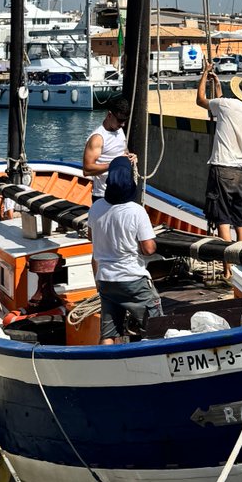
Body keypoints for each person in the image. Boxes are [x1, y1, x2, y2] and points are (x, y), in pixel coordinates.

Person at [196, 62, 242, 276]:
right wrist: (217, 85)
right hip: (239, 172)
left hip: (221, 168)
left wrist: (205, 74)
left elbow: (201, 101)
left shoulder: (226, 105)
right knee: (240, 221)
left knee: (222, 219)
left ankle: (227, 270)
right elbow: (222, 108)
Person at [88, 155, 160, 344]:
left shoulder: (96, 208)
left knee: (108, 334)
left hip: (106, 280)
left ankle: (104, 361)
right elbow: (149, 249)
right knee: (157, 328)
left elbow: (91, 236)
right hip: (132, 279)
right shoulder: (136, 211)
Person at [82, 96, 130, 201]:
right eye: (120, 120)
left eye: (125, 120)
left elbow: (122, 152)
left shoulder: (119, 130)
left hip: (122, 192)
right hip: (103, 195)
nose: (123, 124)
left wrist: (129, 157)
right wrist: (114, 164)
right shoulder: (97, 138)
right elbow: (87, 170)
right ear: (109, 115)